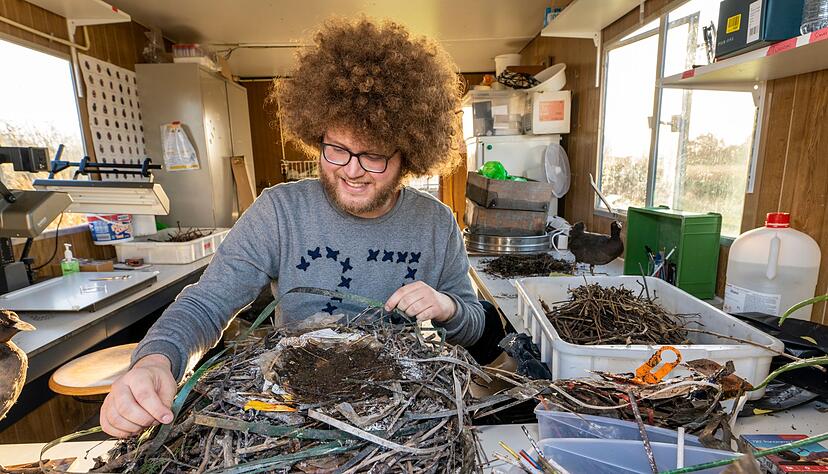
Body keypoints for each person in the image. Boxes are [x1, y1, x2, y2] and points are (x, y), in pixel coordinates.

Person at [99, 17, 487, 438]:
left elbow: (474, 325)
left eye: (373, 156)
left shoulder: (436, 223)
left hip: (400, 419)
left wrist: (446, 307)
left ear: (408, 154)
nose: (352, 172)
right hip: (297, 412)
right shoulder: (279, 212)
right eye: (336, 149)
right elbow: (207, 303)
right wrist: (157, 360)